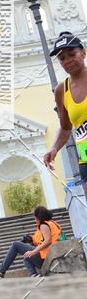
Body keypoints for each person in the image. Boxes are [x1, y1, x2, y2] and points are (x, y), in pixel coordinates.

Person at [44, 31, 87, 200]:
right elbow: (66, 126)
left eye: (72, 54)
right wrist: (54, 149)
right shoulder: (62, 90)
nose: (68, 60)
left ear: (83, 52)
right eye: (62, 58)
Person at [0, 206, 62, 278]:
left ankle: (1, 272)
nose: (34, 219)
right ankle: (34, 275)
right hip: (50, 255)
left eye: (35, 217)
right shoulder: (51, 223)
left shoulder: (44, 225)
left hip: (46, 257)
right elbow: (42, 240)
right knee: (26, 257)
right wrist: (31, 239)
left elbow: (48, 241)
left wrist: (33, 252)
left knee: (15, 245)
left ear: (38, 217)